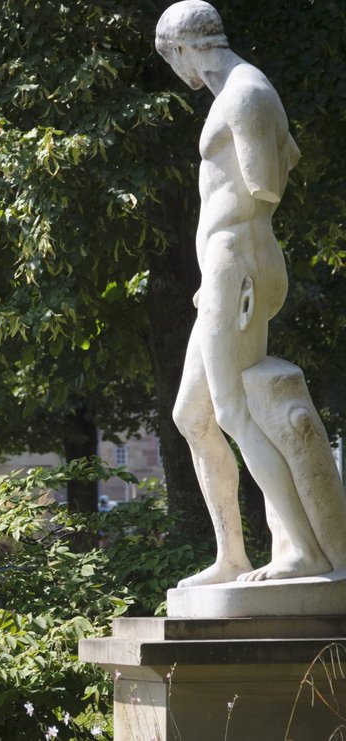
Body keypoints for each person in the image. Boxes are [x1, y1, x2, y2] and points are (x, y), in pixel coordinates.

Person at [157, 1, 335, 586]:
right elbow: (287, 153)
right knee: (193, 415)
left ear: (183, 48)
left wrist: (230, 274)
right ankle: (231, 555)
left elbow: (264, 182)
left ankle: (303, 552)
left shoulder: (246, 91)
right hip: (225, 268)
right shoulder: (235, 91)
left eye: (171, 57)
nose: (176, 72)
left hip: (241, 264)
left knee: (233, 410)